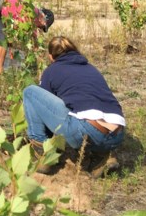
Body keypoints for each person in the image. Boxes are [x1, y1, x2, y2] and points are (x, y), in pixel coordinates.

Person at [22, 36, 125, 175]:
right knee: (82, 114)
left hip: (87, 130)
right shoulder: (91, 68)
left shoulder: (52, 70)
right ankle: (103, 156)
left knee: (30, 92)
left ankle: (43, 154)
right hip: (118, 133)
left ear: (51, 57)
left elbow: (44, 110)